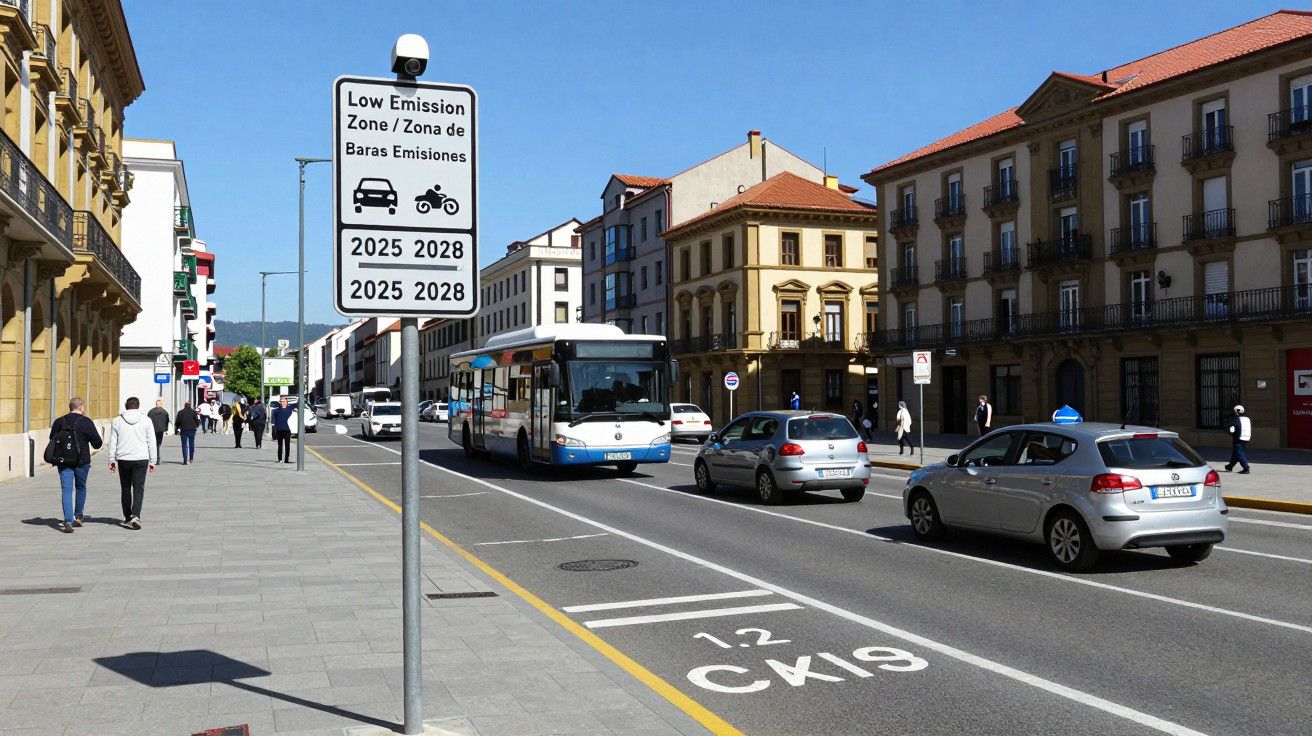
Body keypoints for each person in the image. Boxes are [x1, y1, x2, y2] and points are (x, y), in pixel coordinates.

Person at [48, 397, 103, 534]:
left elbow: (52, 439)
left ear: (70, 407)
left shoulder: (59, 421)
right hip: (82, 461)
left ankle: (67, 520)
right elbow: (97, 443)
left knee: (66, 490)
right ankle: (78, 516)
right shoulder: (86, 422)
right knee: (81, 487)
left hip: (63, 461)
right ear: (81, 407)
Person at [106, 397, 157, 530]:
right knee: (139, 487)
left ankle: (128, 515)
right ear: (138, 406)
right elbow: (151, 441)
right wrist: (153, 461)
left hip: (123, 459)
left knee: (126, 487)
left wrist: (111, 459)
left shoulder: (117, 421)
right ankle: (136, 515)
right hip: (141, 458)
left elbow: (113, 442)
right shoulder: (146, 420)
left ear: (126, 406)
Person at [1225, 405, 1251, 474]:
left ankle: (1246, 468)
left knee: (1239, 454)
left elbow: (1232, 430)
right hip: (1247, 438)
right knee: (1235, 453)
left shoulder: (1237, 420)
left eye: (1235, 412)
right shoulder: (1247, 419)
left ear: (1237, 412)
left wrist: (1229, 430)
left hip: (1238, 439)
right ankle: (1229, 466)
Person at [271, 396, 295, 463]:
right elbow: (274, 421)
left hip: (287, 430)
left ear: (287, 403)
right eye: (281, 401)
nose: (282, 403)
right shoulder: (276, 410)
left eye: (283, 401)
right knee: (280, 445)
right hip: (279, 430)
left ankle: (286, 459)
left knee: (287, 445)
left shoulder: (290, 410)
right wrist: (274, 430)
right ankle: (280, 459)